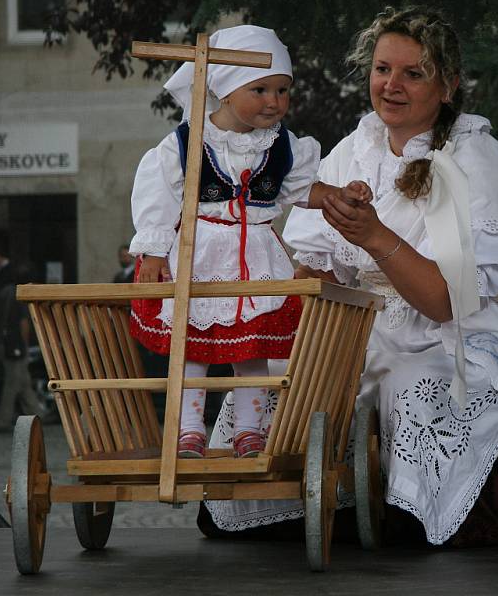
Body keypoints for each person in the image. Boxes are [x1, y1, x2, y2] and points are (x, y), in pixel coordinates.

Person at [201, 7, 498, 547]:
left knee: (409, 388)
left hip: (449, 335)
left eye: (413, 74)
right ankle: (292, 498)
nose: (391, 85)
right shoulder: (356, 148)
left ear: (448, 86)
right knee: (273, 381)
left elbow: (448, 301)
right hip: (358, 328)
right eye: (382, 69)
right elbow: (314, 266)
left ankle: (397, 506)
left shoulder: (471, 155)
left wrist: (374, 237)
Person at [129, 25, 372, 459]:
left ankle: (249, 430)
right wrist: (151, 251)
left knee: (253, 345)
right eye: (260, 89)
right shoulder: (184, 145)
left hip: (255, 255)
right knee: (192, 345)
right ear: (223, 90)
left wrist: (335, 195)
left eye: (282, 90)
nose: (274, 101)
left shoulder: (281, 147)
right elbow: (156, 196)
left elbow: (299, 190)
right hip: (199, 254)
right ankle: (187, 430)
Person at [0, 264, 44, 432]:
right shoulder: (19, 295)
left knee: (24, 381)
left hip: (2, 342)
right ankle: (4, 421)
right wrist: (26, 345)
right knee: (13, 383)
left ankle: (37, 413)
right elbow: (23, 323)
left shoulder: (3, 293)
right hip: (15, 344)